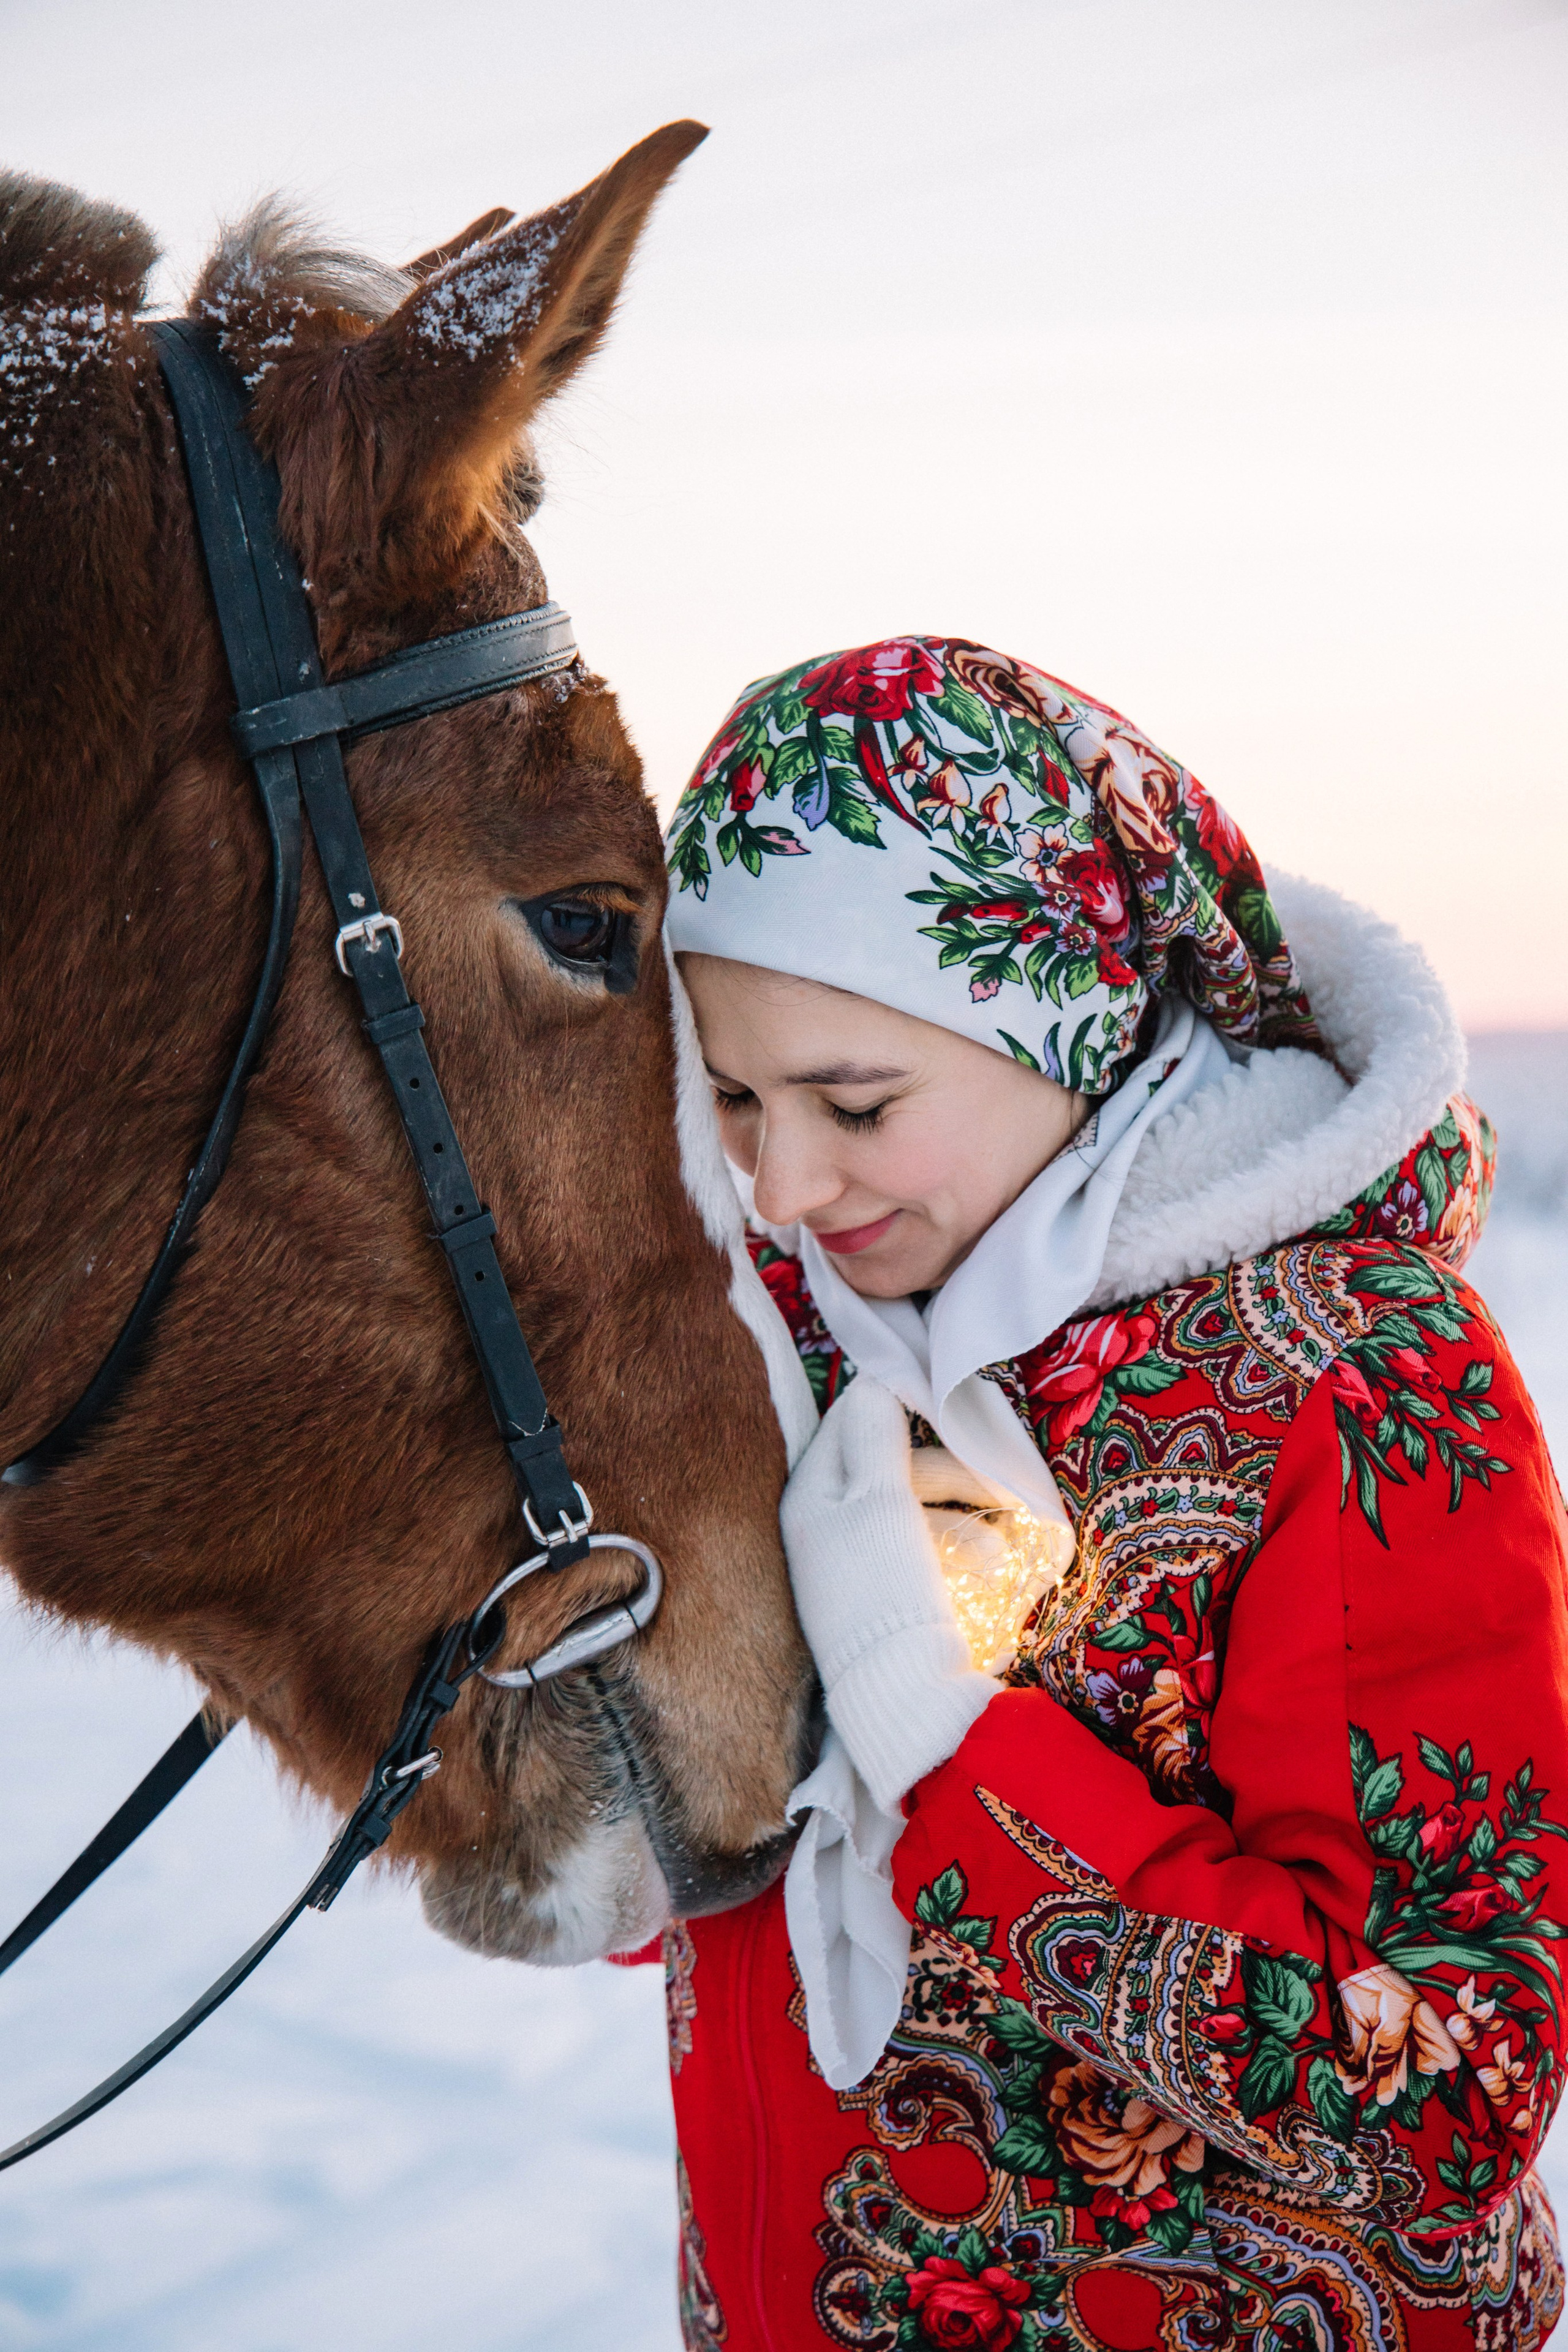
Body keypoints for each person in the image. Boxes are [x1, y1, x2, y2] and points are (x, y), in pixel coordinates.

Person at [652, 635, 1568, 2351]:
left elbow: (1444, 2104)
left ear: (1072, 1025)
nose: (783, 1185)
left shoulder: (1360, 1383)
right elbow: (709, 1901)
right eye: (735, 1100)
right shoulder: (794, 1338)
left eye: (855, 1102)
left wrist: (947, 1743)